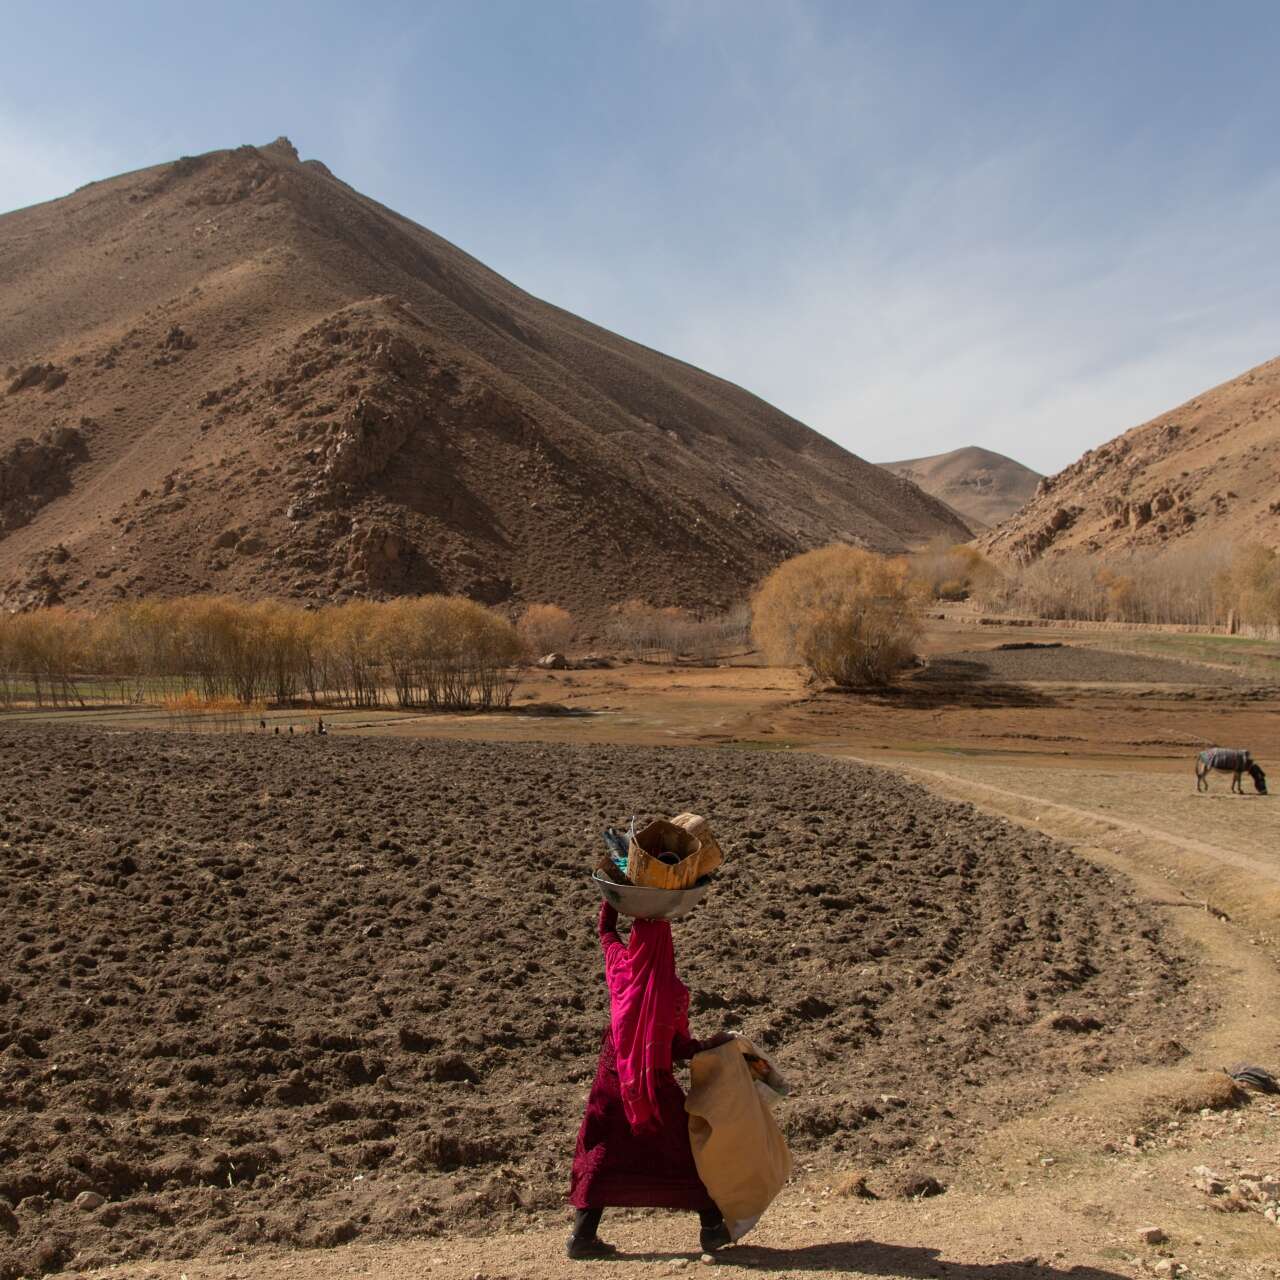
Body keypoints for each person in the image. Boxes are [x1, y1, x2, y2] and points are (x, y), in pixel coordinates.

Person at [567, 900, 733, 1260]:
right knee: (683, 1151)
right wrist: (712, 1044)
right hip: (652, 1085)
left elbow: (606, 932)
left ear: (636, 942)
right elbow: (678, 1047)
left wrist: (613, 896)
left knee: (602, 1152)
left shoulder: (620, 966)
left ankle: (582, 1236)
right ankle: (711, 1227)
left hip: (611, 1083)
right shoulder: (672, 993)